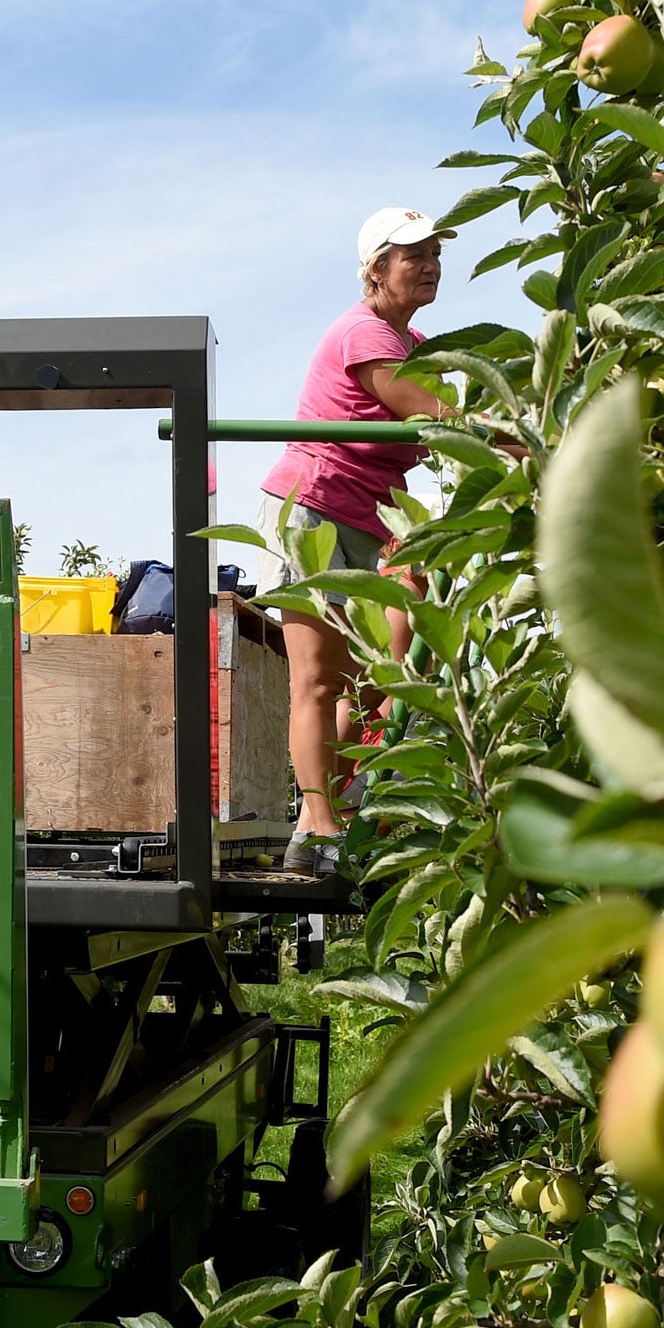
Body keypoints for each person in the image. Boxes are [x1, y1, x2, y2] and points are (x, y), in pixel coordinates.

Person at [256, 206, 452, 878]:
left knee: (379, 677)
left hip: (371, 518)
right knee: (317, 680)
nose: (428, 264)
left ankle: (338, 806)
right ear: (374, 270)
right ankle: (316, 822)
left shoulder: (415, 340)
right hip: (309, 509)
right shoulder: (361, 333)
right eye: (411, 255)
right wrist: (546, 443)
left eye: (433, 253)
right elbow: (437, 417)